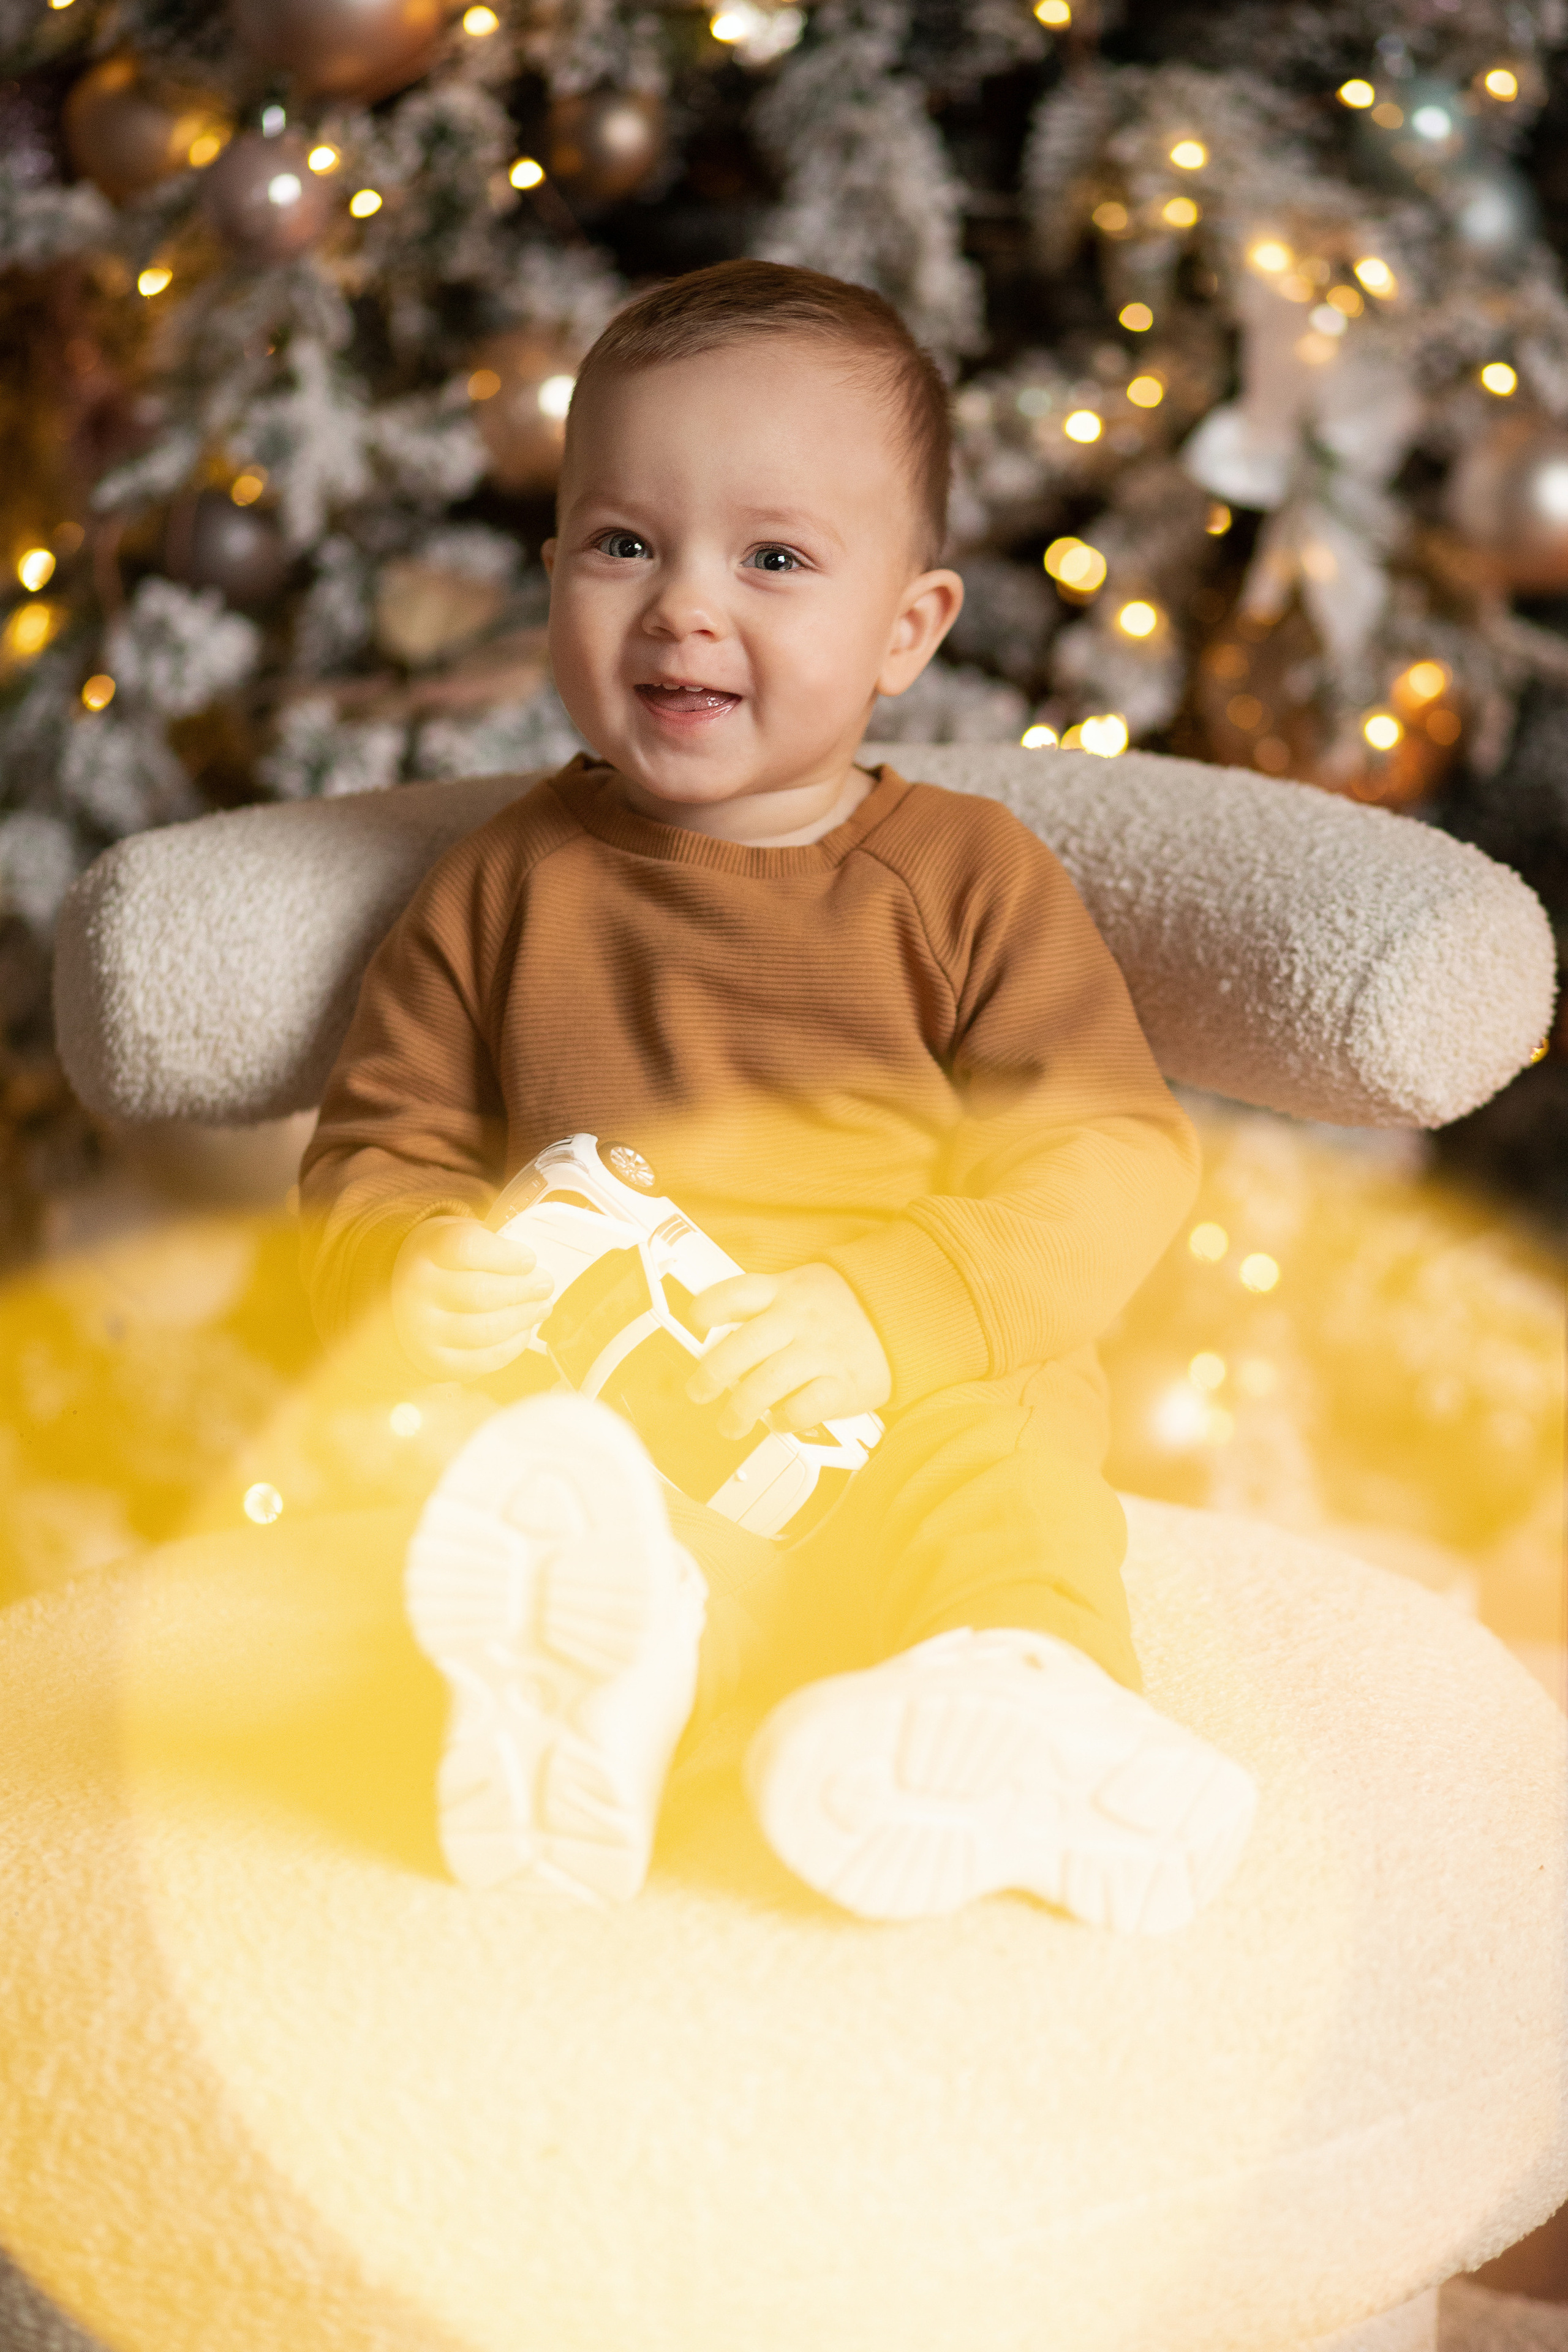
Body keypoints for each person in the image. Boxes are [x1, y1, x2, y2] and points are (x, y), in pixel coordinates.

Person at [298, 258, 1257, 1934]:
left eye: (774, 558)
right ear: (552, 581)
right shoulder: (501, 888)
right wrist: (417, 1256)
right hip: (641, 1394)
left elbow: (1107, 1151)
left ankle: (1017, 1699)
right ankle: (626, 1687)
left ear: (906, 629)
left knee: (1003, 1480)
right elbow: (385, 1150)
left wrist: (895, 1310)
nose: (682, 606)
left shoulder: (965, 876)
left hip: (920, 1373)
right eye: (623, 545)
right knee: (583, 1509)